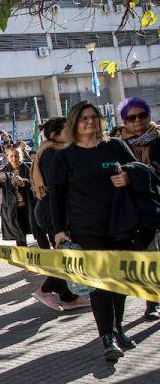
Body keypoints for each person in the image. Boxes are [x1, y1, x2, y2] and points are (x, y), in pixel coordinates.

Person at [48, 102, 138, 361]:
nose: (89, 122)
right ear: (74, 123)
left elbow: (139, 172)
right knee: (99, 284)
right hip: (85, 228)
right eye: (83, 119)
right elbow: (56, 196)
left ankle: (119, 329)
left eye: (93, 118)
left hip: (120, 225)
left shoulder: (115, 146)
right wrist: (58, 230)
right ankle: (107, 337)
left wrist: (128, 177)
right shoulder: (65, 156)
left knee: (119, 281)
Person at [30, 116, 90, 312]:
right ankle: (46, 290)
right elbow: (58, 187)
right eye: (67, 130)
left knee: (66, 253)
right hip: (54, 212)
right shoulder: (52, 154)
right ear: (55, 135)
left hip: (54, 210)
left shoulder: (52, 150)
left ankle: (69, 298)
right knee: (69, 254)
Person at [117, 96, 160, 320]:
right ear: (124, 121)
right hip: (137, 210)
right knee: (149, 256)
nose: (137, 121)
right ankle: (152, 303)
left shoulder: (159, 139)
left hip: (157, 200)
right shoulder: (118, 144)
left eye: (142, 115)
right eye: (131, 118)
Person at [0, 145, 49, 248]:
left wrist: (24, 182)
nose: (14, 159)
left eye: (16, 156)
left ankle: (48, 258)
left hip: (31, 207)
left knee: (40, 234)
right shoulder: (4, 171)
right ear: (8, 157)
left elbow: (39, 184)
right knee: (20, 239)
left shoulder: (30, 167)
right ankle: (24, 262)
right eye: (11, 156)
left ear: (21, 156)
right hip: (14, 210)